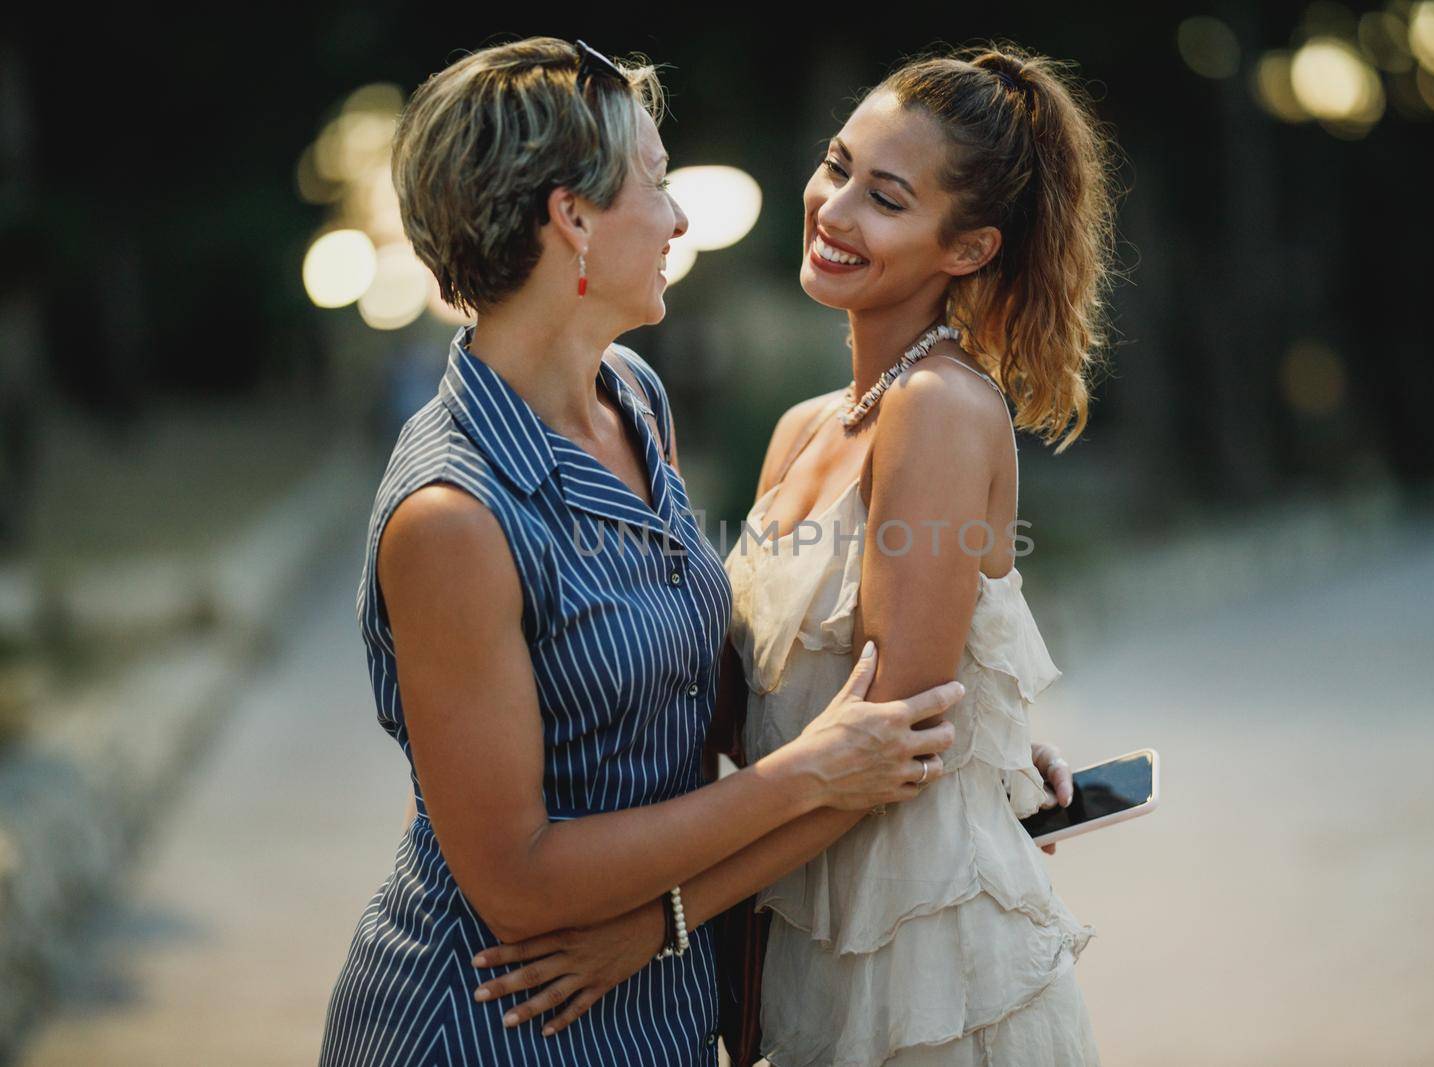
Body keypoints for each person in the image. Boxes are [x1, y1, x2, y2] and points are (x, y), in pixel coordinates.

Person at [317, 37, 966, 1067]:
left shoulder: (631, 394)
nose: (678, 218)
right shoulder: (451, 515)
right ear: (570, 217)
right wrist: (805, 776)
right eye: (656, 184)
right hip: (500, 1021)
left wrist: (973, 750)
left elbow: (695, 685)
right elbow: (518, 878)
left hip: (657, 1005)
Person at [476, 39, 1117, 1067]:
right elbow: (756, 719)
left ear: (968, 248)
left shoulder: (940, 411)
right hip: (800, 930)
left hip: (918, 958)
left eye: (887, 198)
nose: (834, 207)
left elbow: (879, 767)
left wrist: (654, 926)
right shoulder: (804, 428)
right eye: (838, 165)